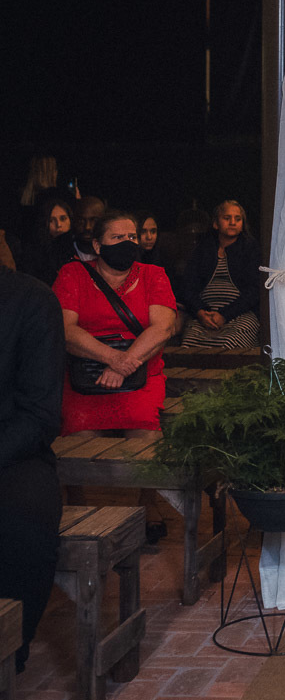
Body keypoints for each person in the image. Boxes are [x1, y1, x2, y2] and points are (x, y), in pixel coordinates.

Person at [53, 211, 177, 541]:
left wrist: (126, 363)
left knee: (145, 433)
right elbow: (65, 329)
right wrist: (112, 359)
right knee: (77, 437)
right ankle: (76, 506)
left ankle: (147, 505)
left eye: (131, 237)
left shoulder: (153, 275)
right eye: (117, 237)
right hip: (86, 376)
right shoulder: (72, 274)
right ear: (97, 245)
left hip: (141, 374)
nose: (128, 242)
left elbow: (163, 328)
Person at [0, 264, 63, 675]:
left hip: (13, 453)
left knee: (23, 517)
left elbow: (40, 415)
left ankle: (10, 649)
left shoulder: (31, 300)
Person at [179, 200, 260, 348]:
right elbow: (188, 288)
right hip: (205, 315)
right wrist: (201, 312)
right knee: (189, 344)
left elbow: (254, 291)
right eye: (227, 218)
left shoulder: (250, 250)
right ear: (216, 224)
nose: (232, 222)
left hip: (239, 314)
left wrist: (224, 315)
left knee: (228, 344)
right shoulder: (203, 250)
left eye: (238, 219)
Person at [17, 200, 73, 286]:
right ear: (44, 222)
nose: (58, 224)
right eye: (51, 220)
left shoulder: (78, 247)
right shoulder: (34, 252)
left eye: (63, 219)